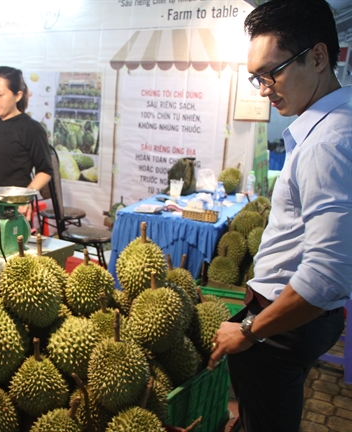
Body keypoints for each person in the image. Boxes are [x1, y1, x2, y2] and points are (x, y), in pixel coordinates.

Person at [209, 1, 352, 431]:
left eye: (274, 71)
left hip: (282, 326)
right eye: (256, 77)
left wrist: (250, 332)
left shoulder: (326, 144)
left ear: (319, 57)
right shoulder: (329, 127)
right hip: (296, 319)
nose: (264, 88)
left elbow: (327, 274)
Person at [0, 66, 53, 220]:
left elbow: (45, 171)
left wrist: (25, 198)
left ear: (18, 95)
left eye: (0, 95)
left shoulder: (31, 129)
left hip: (12, 212)